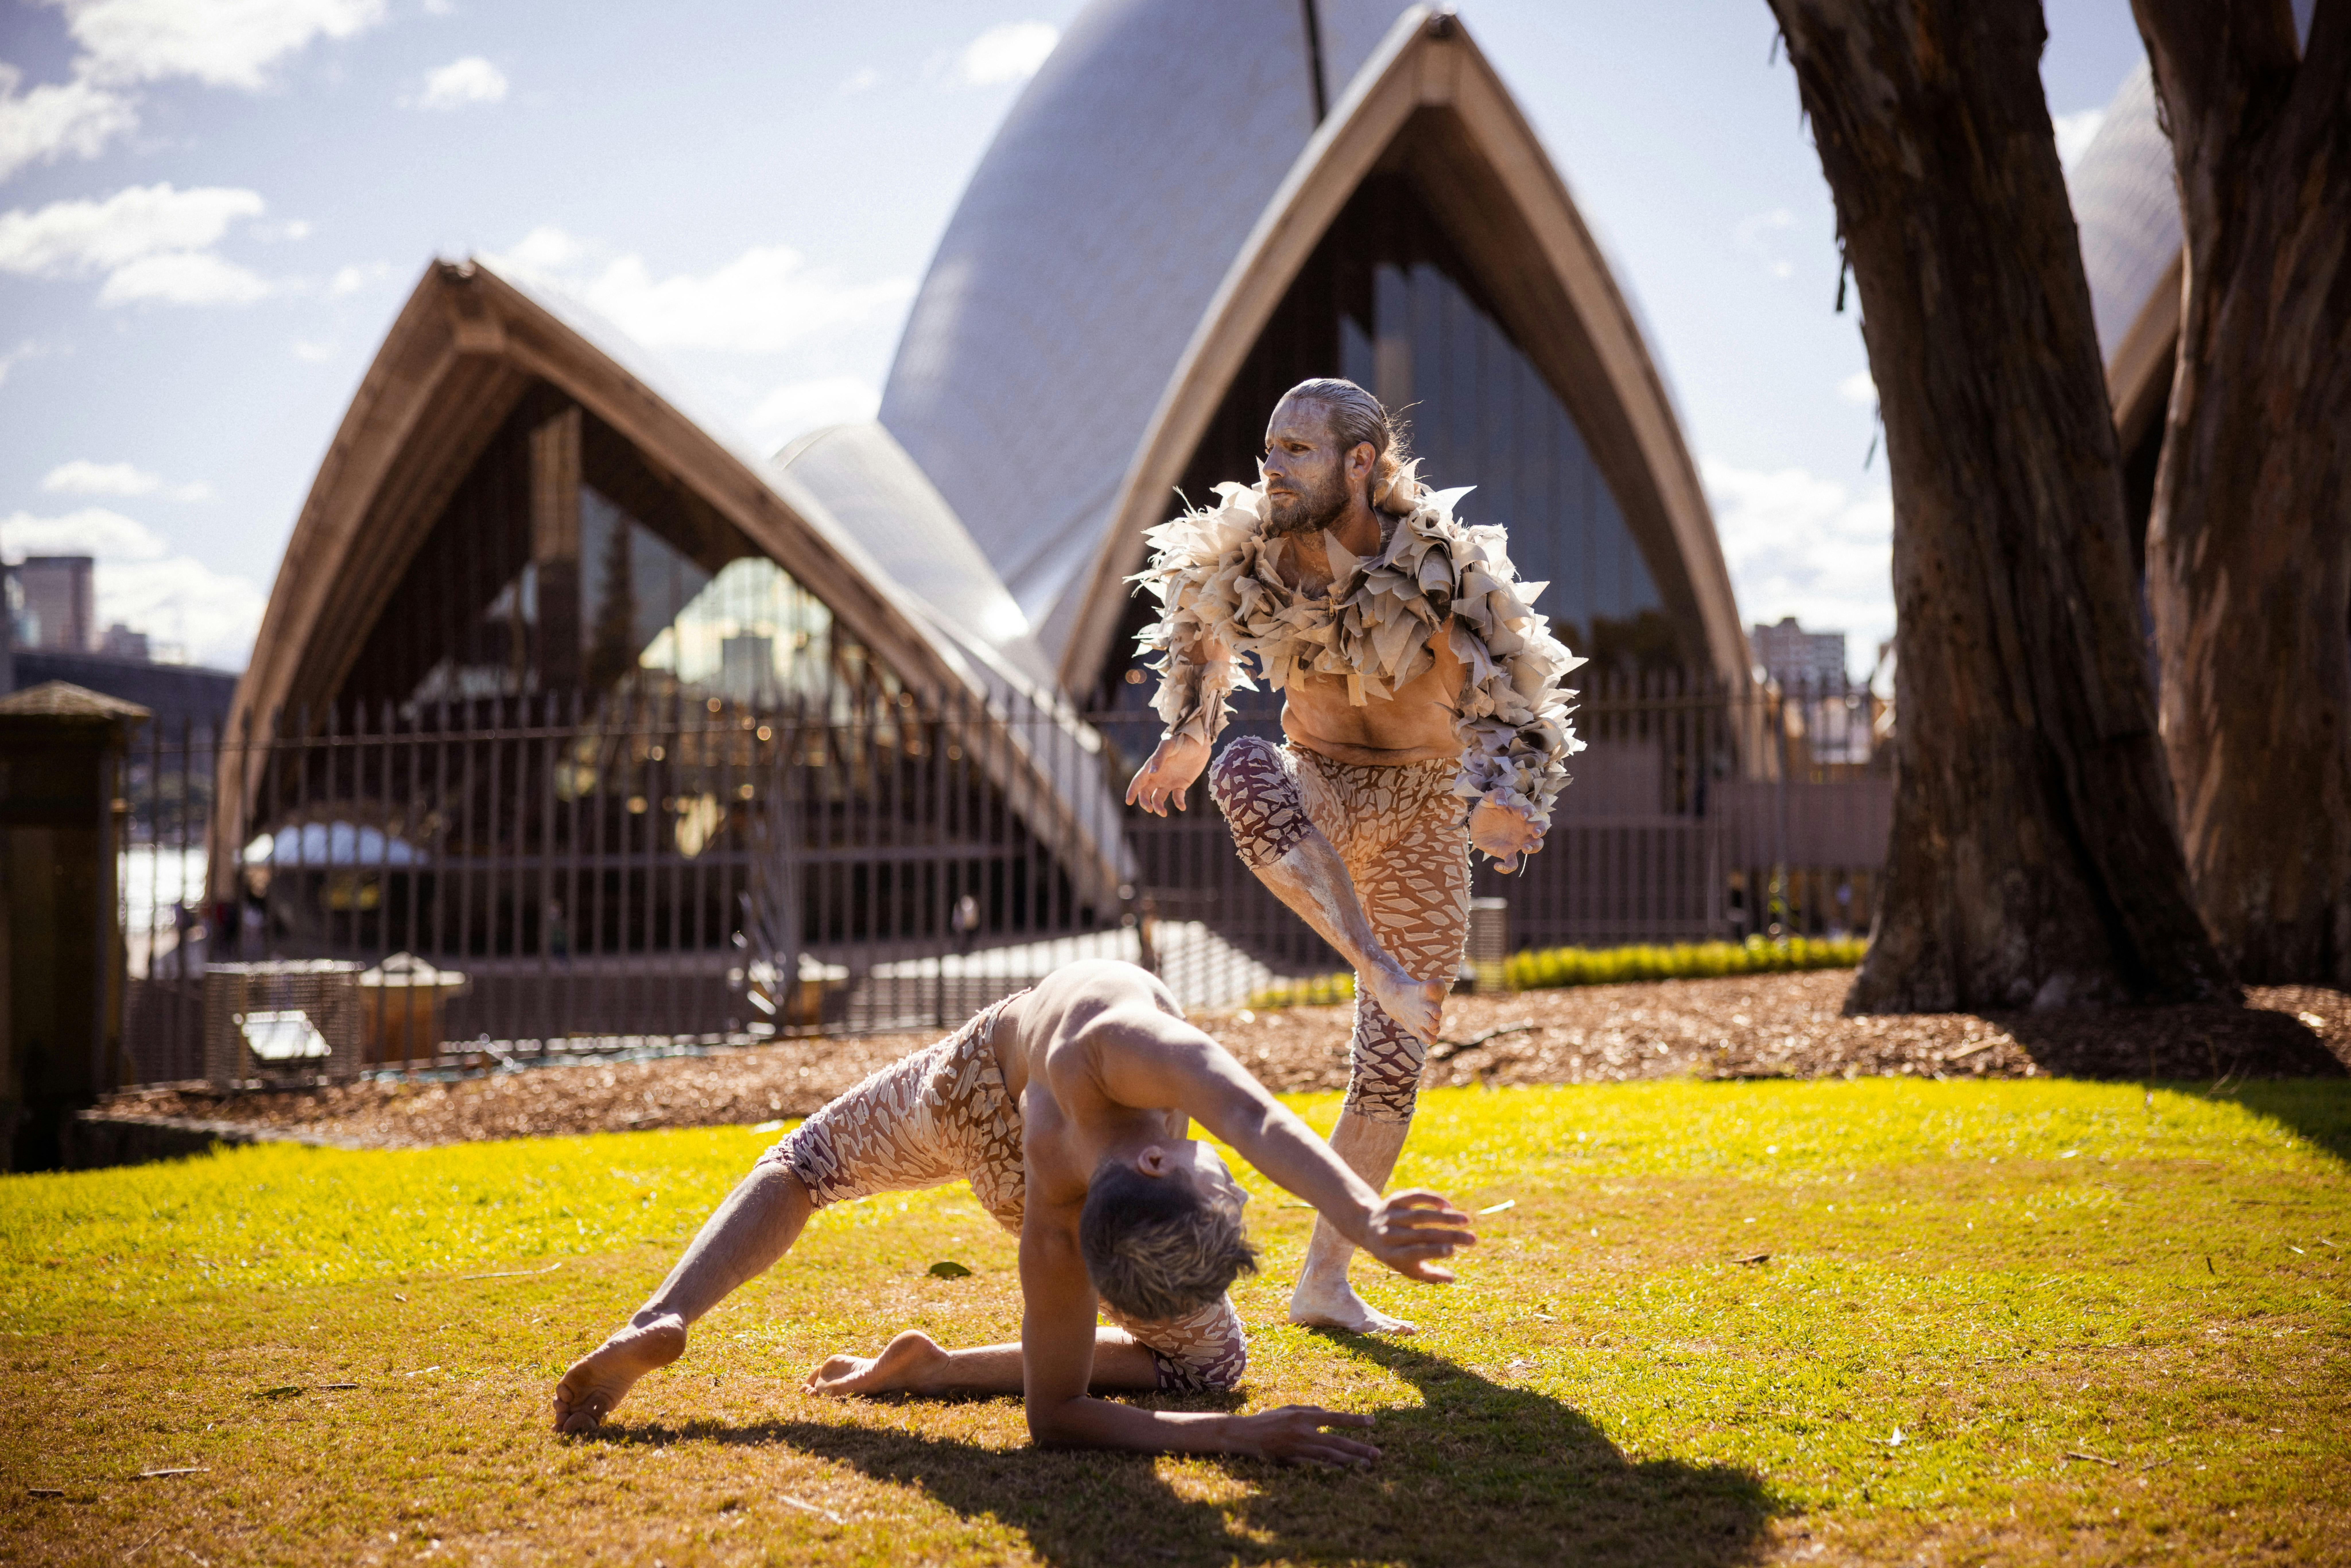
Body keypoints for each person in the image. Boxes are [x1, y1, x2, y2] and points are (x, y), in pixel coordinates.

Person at [552, 959, 1476, 1464]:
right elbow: (1059, 1414)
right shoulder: (1122, 1059)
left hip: (969, 1087)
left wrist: (1367, 1216)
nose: (1224, 1170)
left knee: (805, 1163)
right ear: (1155, 1154)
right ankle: (937, 1371)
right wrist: (1234, 1429)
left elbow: (1251, 1117)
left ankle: (663, 1316)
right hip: (1019, 1134)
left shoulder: (1062, 1213)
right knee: (1212, 1362)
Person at [1124, 378, 1581, 1335]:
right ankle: (1372, 959)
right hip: (1319, 785)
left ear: (1361, 464)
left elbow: (1512, 698)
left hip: (1423, 810)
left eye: (1297, 450)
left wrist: (1500, 804)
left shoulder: (1440, 570)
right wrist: (1194, 734)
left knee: (1392, 1059)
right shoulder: (1248, 545)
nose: (1273, 466)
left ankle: (1326, 1283)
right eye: (1270, 447)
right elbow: (1198, 631)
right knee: (1247, 769)